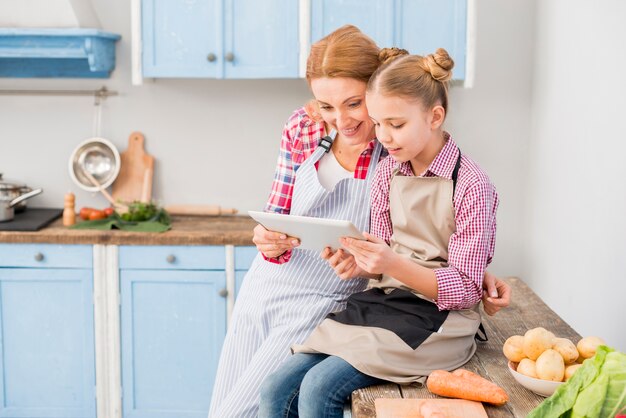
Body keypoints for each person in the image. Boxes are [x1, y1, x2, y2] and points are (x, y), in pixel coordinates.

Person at [209, 27, 509, 418]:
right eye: (326, 107)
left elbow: (437, 248)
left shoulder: (404, 152)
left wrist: (476, 272)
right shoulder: (320, 133)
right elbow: (379, 245)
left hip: (349, 301)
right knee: (242, 403)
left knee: (281, 399)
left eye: (354, 104)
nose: (342, 122)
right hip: (285, 287)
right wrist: (271, 237)